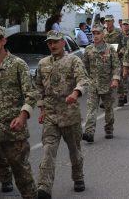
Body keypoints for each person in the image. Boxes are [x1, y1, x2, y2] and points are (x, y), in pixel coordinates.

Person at [35, 30, 89, 198]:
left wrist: (76, 93)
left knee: (74, 150)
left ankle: (78, 177)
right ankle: (44, 187)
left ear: (63, 43)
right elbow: (38, 87)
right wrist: (41, 108)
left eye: (55, 42)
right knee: (48, 150)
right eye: (49, 42)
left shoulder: (73, 60)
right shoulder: (43, 63)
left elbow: (84, 80)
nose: (52, 45)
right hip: (51, 115)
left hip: (69, 114)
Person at [0, 25, 37, 199]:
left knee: (21, 171)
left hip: (13, 129)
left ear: (3, 40)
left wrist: (22, 116)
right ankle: (5, 179)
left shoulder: (17, 64)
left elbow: (31, 93)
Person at [82, 24, 120, 143]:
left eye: (98, 33)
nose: (96, 36)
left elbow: (116, 66)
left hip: (107, 84)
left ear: (103, 34)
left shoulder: (110, 49)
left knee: (108, 109)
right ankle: (89, 132)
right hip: (93, 84)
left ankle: (109, 128)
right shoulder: (88, 49)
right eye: (93, 33)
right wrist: (86, 80)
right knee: (91, 109)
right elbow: (85, 67)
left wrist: (115, 79)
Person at [117, 19, 129, 106]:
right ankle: (122, 96)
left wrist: (123, 49)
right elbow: (118, 46)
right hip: (122, 59)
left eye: (127, 25)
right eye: (124, 25)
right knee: (122, 76)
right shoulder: (120, 35)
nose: (125, 26)